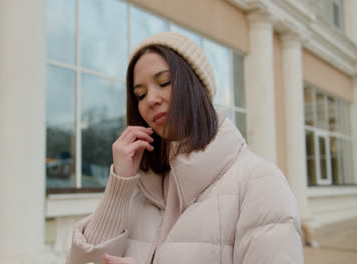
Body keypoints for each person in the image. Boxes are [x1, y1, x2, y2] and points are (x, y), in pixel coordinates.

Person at [67, 32, 304, 264]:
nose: (151, 99)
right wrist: (119, 184)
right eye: (140, 94)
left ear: (195, 86)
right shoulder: (141, 188)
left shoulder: (259, 182)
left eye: (164, 82)